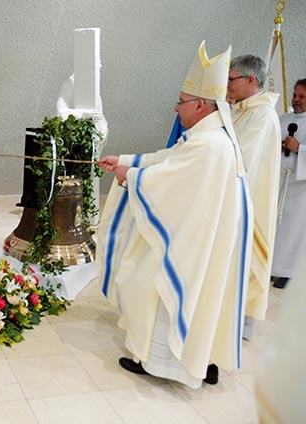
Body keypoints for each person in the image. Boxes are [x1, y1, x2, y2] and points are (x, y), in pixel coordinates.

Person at [97, 41, 252, 388]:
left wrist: (129, 177)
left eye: (181, 102)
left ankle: (160, 362)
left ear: (199, 105)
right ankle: (201, 360)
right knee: (201, 299)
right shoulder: (207, 136)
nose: (176, 107)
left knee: (149, 278)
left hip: (192, 243)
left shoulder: (210, 145)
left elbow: (170, 181)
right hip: (205, 236)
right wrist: (125, 161)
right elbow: (169, 160)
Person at [227, 55, 281, 338]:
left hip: (248, 203)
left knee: (243, 260)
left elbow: (239, 159)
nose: (227, 85)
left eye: (231, 79)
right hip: (235, 200)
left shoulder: (261, 115)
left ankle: (240, 324)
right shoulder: (241, 110)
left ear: (251, 80)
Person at [271, 79, 306, 289]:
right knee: (275, 226)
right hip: (280, 181)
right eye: (295, 95)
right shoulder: (283, 119)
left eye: (302, 96)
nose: (296, 100)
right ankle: (271, 266)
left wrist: (299, 148)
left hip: (300, 187)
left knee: (294, 230)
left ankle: (288, 271)